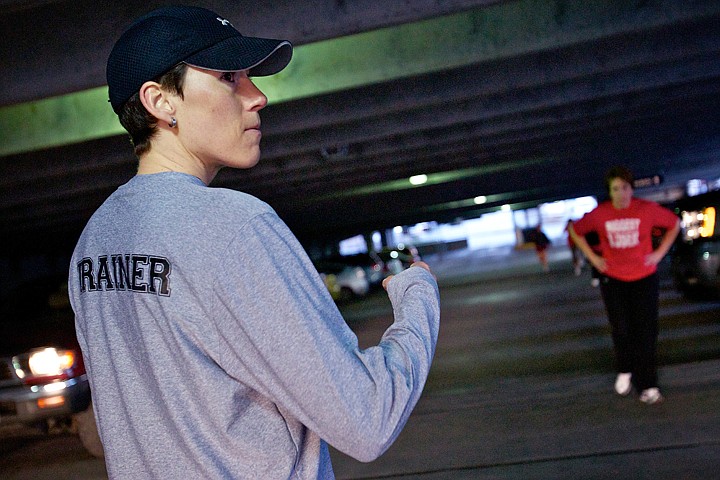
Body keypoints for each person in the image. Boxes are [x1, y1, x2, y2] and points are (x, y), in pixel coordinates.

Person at [68, 6, 440, 479]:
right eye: (228, 77)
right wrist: (418, 301)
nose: (257, 96)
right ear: (161, 102)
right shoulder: (233, 227)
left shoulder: (94, 243)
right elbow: (366, 417)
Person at [569, 166, 680, 405]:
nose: (621, 194)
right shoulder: (600, 214)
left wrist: (659, 253)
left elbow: (674, 224)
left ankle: (648, 385)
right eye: (615, 189)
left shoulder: (646, 209)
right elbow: (575, 230)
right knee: (621, 328)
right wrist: (593, 258)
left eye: (625, 188)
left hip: (644, 278)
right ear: (609, 192)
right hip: (614, 279)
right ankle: (625, 367)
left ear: (631, 189)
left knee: (646, 331)